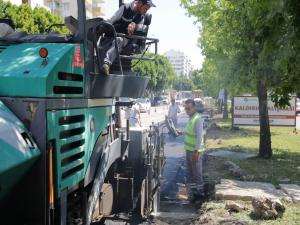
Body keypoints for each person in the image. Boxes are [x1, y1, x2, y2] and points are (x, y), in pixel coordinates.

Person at [102, 0, 156, 75]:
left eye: (147, 10)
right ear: (139, 3)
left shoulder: (141, 17)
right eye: (145, 8)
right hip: (112, 35)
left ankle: (106, 63)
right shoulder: (125, 8)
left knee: (119, 40)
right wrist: (101, 25)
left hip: (125, 39)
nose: (145, 11)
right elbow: (111, 20)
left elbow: (142, 27)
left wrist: (135, 25)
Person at [178, 99, 205, 201]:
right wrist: (182, 132)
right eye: (185, 108)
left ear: (193, 107)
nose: (186, 110)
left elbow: (199, 137)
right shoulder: (191, 118)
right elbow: (190, 132)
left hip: (194, 152)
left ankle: (200, 195)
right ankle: (194, 194)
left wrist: (196, 151)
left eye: (188, 108)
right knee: (191, 173)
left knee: (197, 174)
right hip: (189, 151)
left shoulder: (197, 119)